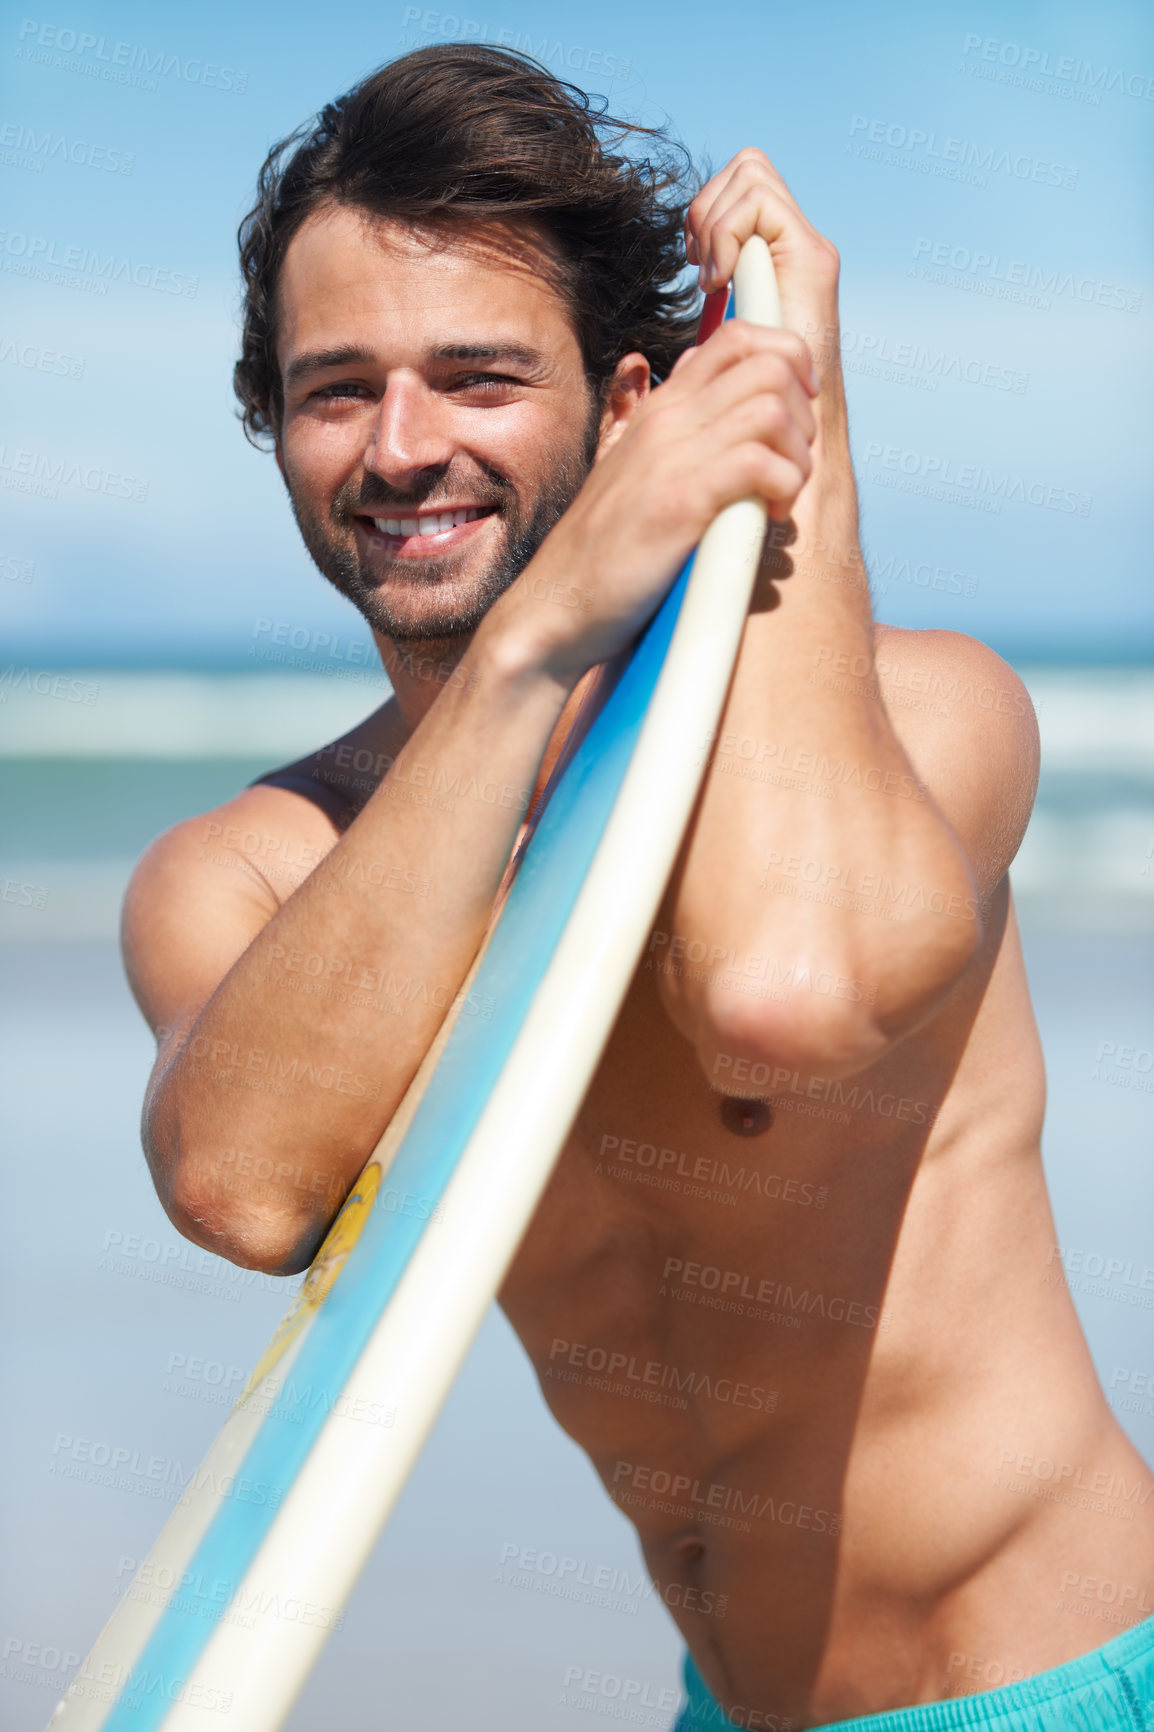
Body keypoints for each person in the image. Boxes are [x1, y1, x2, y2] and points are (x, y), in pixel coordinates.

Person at [120, 44, 1154, 1732]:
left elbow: (785, 993)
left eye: (475, 378)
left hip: (1053, 1681)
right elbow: (245, 1189)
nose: (400, 447)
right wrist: (533, 643)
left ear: (625, 408)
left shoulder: (928, 717)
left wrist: (785, 408)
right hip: (722, 1705)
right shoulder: (249, 871)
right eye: (335, 388)